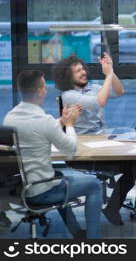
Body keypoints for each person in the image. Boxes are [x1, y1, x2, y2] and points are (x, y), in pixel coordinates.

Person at [3, 70, 102, 238]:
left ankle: (77, 232)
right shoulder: (44, 120)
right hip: (41, 191)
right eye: (44, 86)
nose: (46, 90)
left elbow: (35, 129)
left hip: (20, 187)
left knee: (64, 177)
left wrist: (61, 122)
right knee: (95, 185)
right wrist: (70, 124)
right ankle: (93, 241)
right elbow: (70, 149)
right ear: (40, 90)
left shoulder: (10, 118)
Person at [53, 54, 136, 226]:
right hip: (83, 149)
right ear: (68, 77)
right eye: (77, 71)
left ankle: (130, 208)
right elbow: (100, 102)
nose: (83, 72)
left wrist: (111, 72)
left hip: (102, 142)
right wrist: (108, 75)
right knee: (133, 167)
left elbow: (119, 92)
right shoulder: (68, 96)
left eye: (82, 69)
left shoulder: (94, 87)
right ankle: (118, 208)